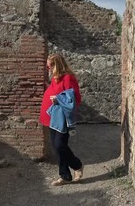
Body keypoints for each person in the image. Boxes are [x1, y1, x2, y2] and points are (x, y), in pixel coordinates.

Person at [39, 53, 84, 186]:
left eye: (50, 66)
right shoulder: (55, 78)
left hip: (61, 118)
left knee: (60, 145)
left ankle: (77, 165)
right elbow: (56, 91)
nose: (48, 69)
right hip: (51, 116)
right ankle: (65, 176)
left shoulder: (68, 78)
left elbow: (74, 99)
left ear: (57, 65)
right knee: (56, 146)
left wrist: (58, 99)